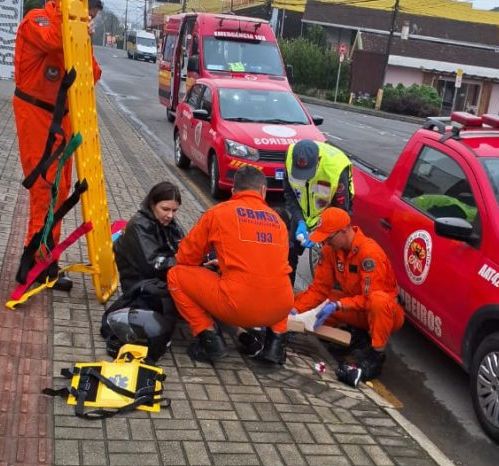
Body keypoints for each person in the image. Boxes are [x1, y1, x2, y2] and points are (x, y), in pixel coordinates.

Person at [12, 0, 104, 291]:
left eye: (92, 18)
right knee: (44, 187)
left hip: (61, 117)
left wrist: (85, 38)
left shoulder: (74, 32)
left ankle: (46, 258)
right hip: (36, 112)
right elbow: (53, 41)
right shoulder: (37, 20)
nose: (89, 21)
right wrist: (75, 25)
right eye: (87, 15)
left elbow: (92, 74)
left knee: (60, 189)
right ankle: (35, 261)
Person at [168, 166, 294, 364]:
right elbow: (267, 263)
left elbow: (186, 258)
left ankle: (210, 340)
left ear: (234, 190)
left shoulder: (218, 213)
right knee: (276, 282)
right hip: (280, 308)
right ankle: (275, 347)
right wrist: (226, 263)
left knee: (176, 275)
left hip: (238, 307)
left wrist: (216, 268)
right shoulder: (278, 221)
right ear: (263, 191)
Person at [292, 207, 404, 387]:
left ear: (344, 230)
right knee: (308, 300)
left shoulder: (370, 254)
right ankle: (354, 337)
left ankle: (376, 356)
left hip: (384, 313)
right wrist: (294, 310)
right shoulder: (330, 250)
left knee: (378, 301)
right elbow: (319, 289)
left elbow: (369, 299)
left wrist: (339, 305)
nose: (326, 243)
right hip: (354, 306)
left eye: (329, 238)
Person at [100, 182, 185, 362]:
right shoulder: (139, 225)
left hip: (161, 277)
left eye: (174, 210)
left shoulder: (169, 223)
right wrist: (186, 262)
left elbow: (185, 246)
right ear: (152, 204)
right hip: (142, 285)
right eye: (165, 209)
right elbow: (153, 265)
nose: (170, 215)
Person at [282, 139, 353, 283]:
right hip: (303, 214)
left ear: (318, 161)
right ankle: (288, 291)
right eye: (299, 173)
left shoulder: (336, 169)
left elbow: (340, 211)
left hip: (330, 214)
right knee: (289, 253)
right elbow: (290, 194)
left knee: (333, 259)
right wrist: (299, 220)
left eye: (307, 173)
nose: (304, 178)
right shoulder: (290, 158)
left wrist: (320, 231)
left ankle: (333, 290)